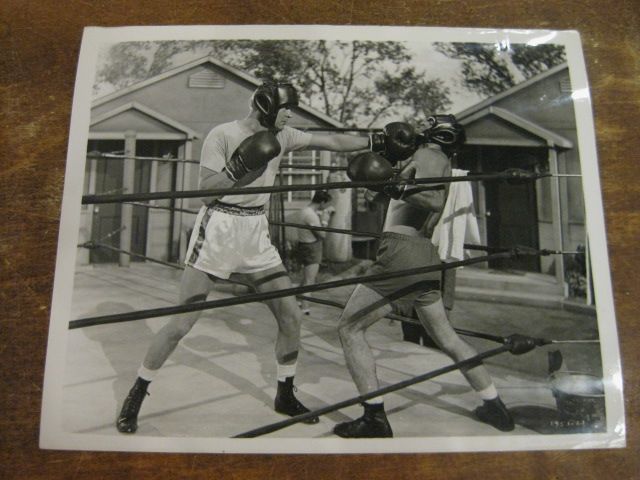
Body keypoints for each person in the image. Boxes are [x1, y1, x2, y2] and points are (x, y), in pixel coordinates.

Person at [116, 81, 417, 434]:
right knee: (181, 323)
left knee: (290, 315)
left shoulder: (284, 135)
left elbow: (332, 142)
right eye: (286, 109)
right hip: (219, 228)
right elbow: (204, 192)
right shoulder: (222, 135)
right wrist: (238, 168)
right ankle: (137, 391)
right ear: (266, 107)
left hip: (255, 231)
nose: (290, 115)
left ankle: (285, 393)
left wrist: (376, 141)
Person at [334, 115, 515, 438]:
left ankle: (374, 417)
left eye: (430, 123)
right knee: (448, 339)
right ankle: (494, 404)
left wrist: (394, 182)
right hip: (423, 256)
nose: (422, 125)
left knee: (349, 329)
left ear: (440, 133)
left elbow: (433, 200)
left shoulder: (429, 155)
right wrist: (382, 172)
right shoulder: (429, 160)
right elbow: (380, 199)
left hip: (401, 254)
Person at [294, 190, 334, 314]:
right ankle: (304, 308)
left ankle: (298, 300)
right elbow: (322, 234)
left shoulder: (305, 211)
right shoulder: (311, 215)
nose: (326, 207)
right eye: (325, 204)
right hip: (312, 247)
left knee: (306, 277)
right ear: (322, 202)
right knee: (310, 280)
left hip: (303, 245)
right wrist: (325, 220)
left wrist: (321, 214)